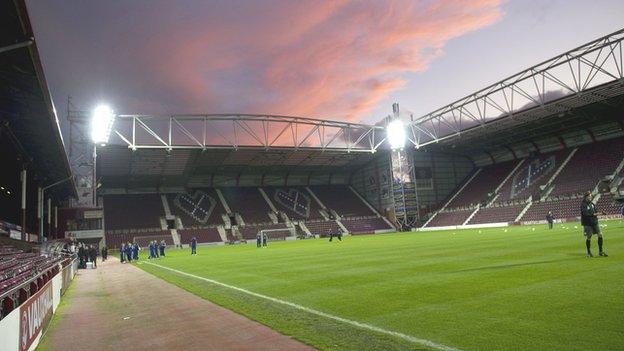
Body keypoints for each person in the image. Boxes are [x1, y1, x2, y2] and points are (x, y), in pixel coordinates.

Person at [581, 191, 607, 258]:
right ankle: (589, 252)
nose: (590, 197)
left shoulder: (592, 204)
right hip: (587, 223)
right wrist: (598, 214)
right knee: (589, 237)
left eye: (591, 196)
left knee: (600, 234)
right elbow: (586, 214)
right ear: (586, 197)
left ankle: (600, 252)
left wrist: (600, 213)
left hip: (594, 222)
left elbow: (595, 212)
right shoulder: (583, 205)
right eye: (589, 196)